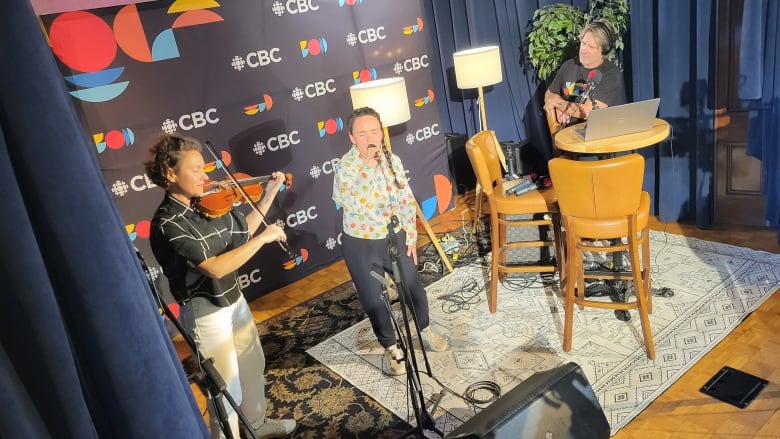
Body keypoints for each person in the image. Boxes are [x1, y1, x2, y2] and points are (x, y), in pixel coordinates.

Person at [144, 134, 296, 439]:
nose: (206, 177)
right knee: (227, 389)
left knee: (253, 366)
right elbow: (214, 267)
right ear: (171, 174)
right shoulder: (167, 222)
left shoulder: (207, 205)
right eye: (196, 170)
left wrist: (268, 195)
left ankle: (257, 425)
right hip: (205, 310)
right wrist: (265, 239)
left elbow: (242, 231)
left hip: (234, 300)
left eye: (205, 169)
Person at [332, 107, 448, 376]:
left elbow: (405, 199)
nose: (370, 137)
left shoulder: (392, 160)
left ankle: (424, 328)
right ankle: (392, 349)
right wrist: (367, 166)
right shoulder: (345, 167)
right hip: (361, 243)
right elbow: (351, 203)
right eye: (362, 133)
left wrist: (410, 235)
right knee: (375, 299)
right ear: (352, 138)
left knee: (413, 286)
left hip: (393, 237)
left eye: (374, 131)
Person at [543, 19, 625, 126]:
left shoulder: (611, 74)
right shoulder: (569, 66)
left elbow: (586, 112)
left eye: (591, 47)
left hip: (600, 134)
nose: (584, 49)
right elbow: (550, 94)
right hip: (569, 133)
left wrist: (559, 104)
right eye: (584, 43)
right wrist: (558, 106)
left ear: (604, 52)